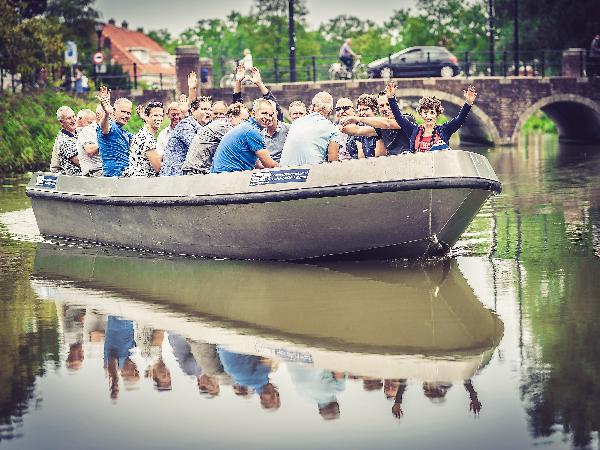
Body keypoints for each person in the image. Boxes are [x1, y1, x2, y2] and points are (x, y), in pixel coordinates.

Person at [384, 80, 477, 152]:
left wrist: (468, 103)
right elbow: (399, 117)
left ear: (437, 115)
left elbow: (459, 119)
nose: (428, 116)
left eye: (432, 112)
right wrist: (391, 98)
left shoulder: (444, 130)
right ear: (420, 114)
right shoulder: (413, 130)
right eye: (425, 112)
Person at [210, 98, 279, 173]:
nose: (268, 117)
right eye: (264, 113)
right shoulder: (252, 131)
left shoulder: (247, 126)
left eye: (270, 115)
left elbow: (258, 164)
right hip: (227, 176)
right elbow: (269, 165)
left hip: (218, 174)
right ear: (253, 113)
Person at [182, 102, 250, 175]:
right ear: (231, 117)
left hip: (198, 170)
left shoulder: (221, 124)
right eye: (243, 120)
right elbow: (243, 150)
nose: (245, 125)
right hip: (196, 172)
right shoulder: (224, 127)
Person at [279, 91, 342, 166]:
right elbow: (333, 163)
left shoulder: (296, 123)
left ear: (312, 107)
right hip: (310, 173)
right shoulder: (332, 129)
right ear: (330, 111)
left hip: (283, 172)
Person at [159, 98, 207, 176]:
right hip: (174, 175)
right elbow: (197, 146)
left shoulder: (194, 125)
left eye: (209, 109)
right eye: (204, 109)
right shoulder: (185, 125)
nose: (177, 117)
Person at [97, 86, 133, 176]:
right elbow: (104, 127)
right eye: (123, 112)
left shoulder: (124, 132)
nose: (126, 115)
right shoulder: (109, 125)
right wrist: (106, 113)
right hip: (113, 176)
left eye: (128, 113)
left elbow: (143, 141)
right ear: (114, 111)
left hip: (125, 174)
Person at [124, 101, 164, 177]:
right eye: (155, 115)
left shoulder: (144, 133)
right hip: (142, 182)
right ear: (147, 117)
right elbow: (158, 168)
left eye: (161, 115)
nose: (159, 118)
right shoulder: (147, 137)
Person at [76, 106, 103, 177]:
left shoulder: (96, 131)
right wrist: (107, 143)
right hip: (93, 173)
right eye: (90, 122)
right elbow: (89, 150)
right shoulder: (86, 130)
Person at [54, 106, 81, 175]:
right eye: (69, 118)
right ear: (61, 122)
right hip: (75, 177)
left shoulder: (78, 132)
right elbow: (79, 161)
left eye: (73, 116)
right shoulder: (64, 140)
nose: (73, 120)